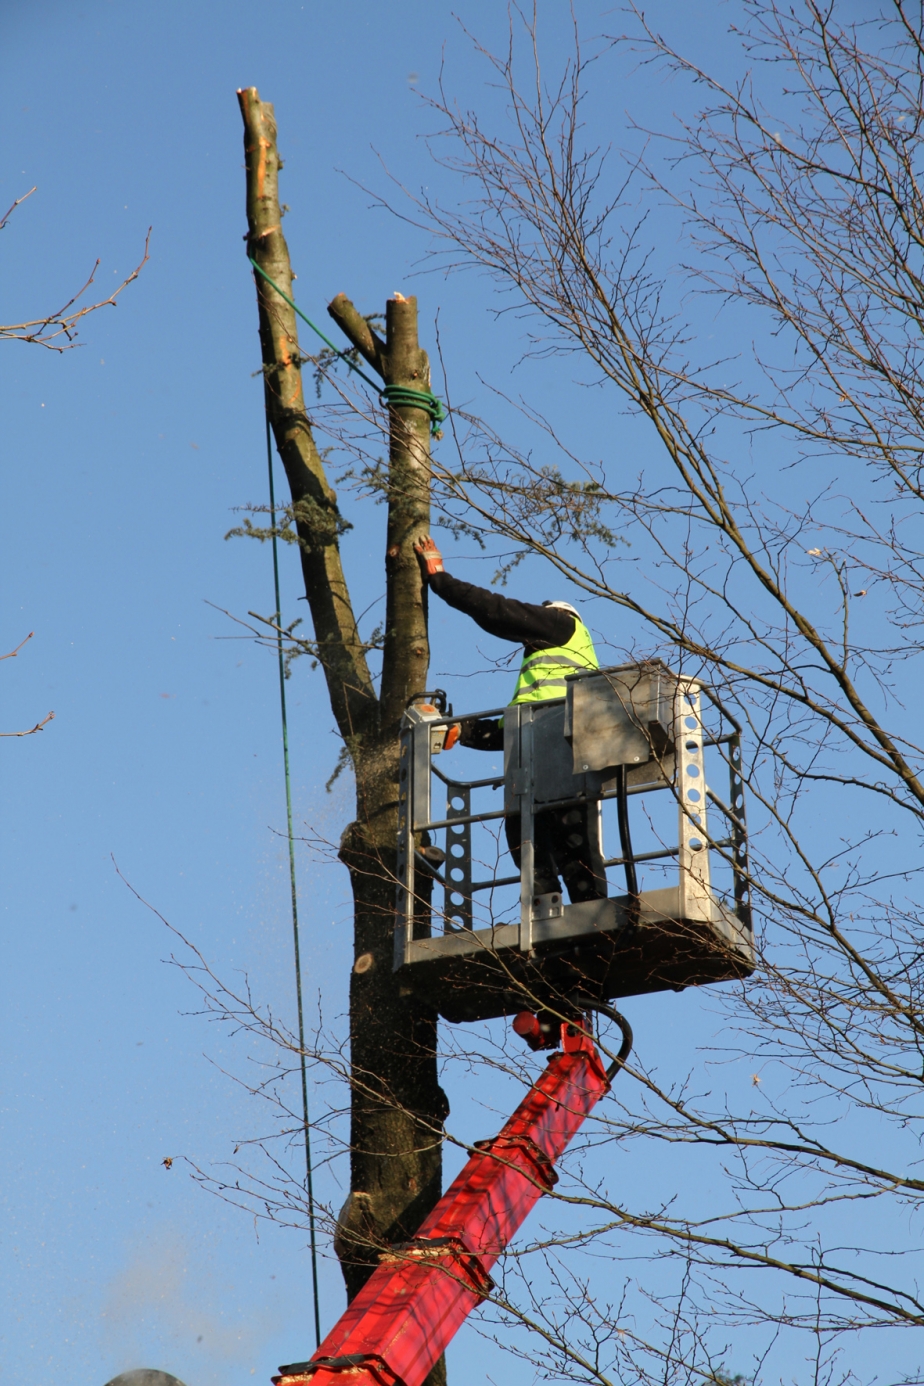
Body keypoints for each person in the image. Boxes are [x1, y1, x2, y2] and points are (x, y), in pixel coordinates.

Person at [414, 535, 608, 904]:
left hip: (563, 758)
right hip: (534, 766)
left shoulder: (562, 624)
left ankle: (594, 920)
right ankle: (546, 917)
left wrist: (441, 580)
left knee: (573, 850)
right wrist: (461, 729)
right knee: (529, 847)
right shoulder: (538, 687)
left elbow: (498, 611)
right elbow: (507, 732)